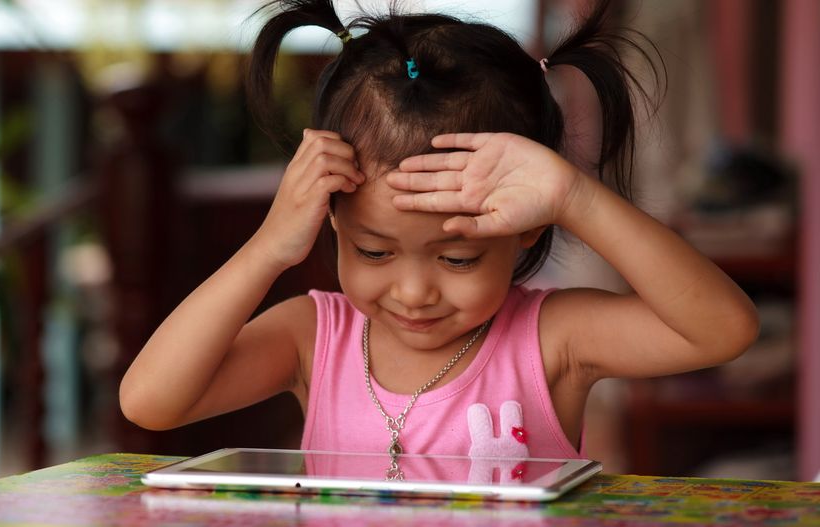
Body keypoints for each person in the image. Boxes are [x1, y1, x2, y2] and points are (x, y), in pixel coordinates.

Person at [119, 0, 759, 461]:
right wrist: (267, 248)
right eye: (374, 251)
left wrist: (574, 198)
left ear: (525, 230)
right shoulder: (313, 338)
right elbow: (150, 401)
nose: (414, 291)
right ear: (331, 218)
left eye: (457, 259)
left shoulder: (552, 342)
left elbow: (724, 330)